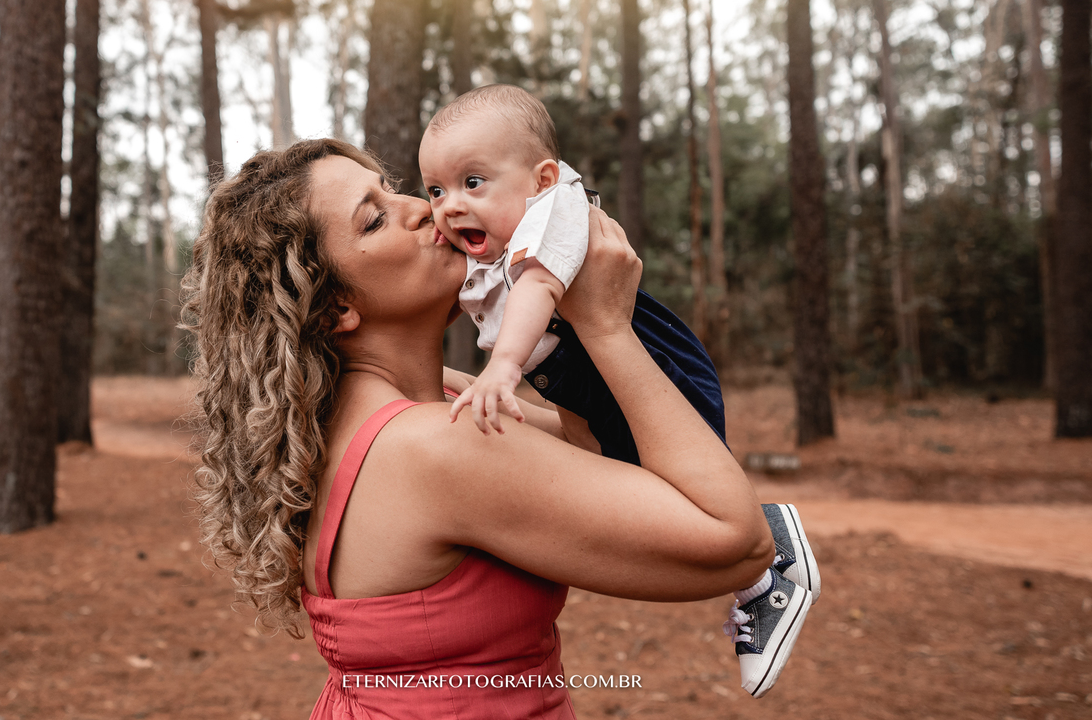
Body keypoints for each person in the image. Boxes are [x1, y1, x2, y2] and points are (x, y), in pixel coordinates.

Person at [180, 138, 791, 718]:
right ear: (335, 305)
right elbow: (737, 541)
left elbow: (608, 459)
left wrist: (550, 322)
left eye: (394, 190)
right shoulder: (436, 446)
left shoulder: (411, 403)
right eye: (374, 219)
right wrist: (605, 327)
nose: (423, 210)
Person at [417, 84, 819, 696]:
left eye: (473, 182)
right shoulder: (495, 241)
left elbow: (537, 292)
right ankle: (763, 549)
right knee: (612, 480)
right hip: (582, 375)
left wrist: (502, 368)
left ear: (543, 177)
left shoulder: (550, 216)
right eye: (436, 190)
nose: (448, 206)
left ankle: (766, 569)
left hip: (643, 358)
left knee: (672, 498)